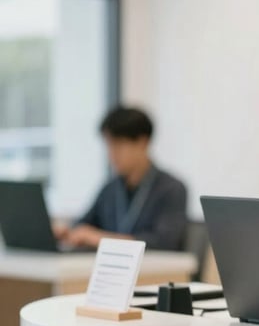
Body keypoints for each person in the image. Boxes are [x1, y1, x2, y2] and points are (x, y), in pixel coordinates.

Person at [56, 106, 188, 251]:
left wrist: (100, 239)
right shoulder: (111, 188)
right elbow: (84, 225)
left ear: (142, 143)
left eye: (118, 145)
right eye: (108, 146)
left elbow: (164, 243)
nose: (111, 154)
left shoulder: (171, 189)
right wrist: (67, 232)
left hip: (152, 270)